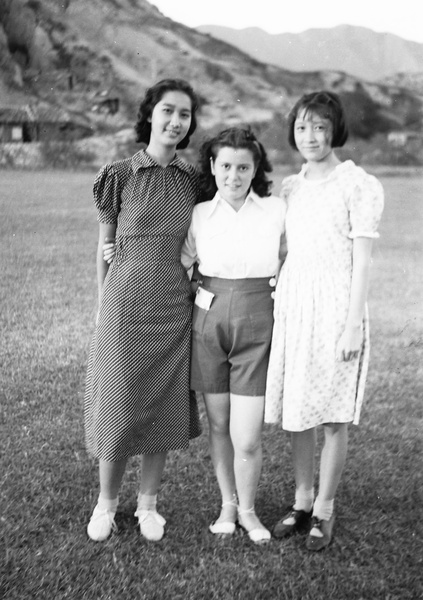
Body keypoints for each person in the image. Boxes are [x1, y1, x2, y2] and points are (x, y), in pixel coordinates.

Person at [265, 91, 384, 550]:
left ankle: (325, 509)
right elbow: (281, 252)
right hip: (295, 307)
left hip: (337, 309)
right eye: (301, 127)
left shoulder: (357, 184)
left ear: (335, 129)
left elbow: (363, 260)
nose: (310, 136)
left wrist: (352, 324)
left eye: (319, 126)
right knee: (298, 411)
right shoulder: (290, 188)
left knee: (332, 415)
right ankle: (301, 501)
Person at [85, 78, 202, 543]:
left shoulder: (195, 181)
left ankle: (148, 506)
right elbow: (104, 245)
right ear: (150, 113)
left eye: (185, 115)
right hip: (122, 305)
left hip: (174, 309)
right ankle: (106, 504)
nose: (176, 121)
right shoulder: (118, 175)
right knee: (118, 405)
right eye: (168, 111)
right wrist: (101, 304)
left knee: (163, 407)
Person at [181, 127, 287, 544]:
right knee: (220, 425)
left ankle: (249, 511)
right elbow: (179, 264)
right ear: (212, 166)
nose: (234, 175)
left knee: (247, 434)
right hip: (209, 323)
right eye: (225, 166)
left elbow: (293, 255)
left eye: (243, 167)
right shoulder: (199, 214)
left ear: (255, 168)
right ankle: (228, 505)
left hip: (258, 321)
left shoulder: (276, 210)